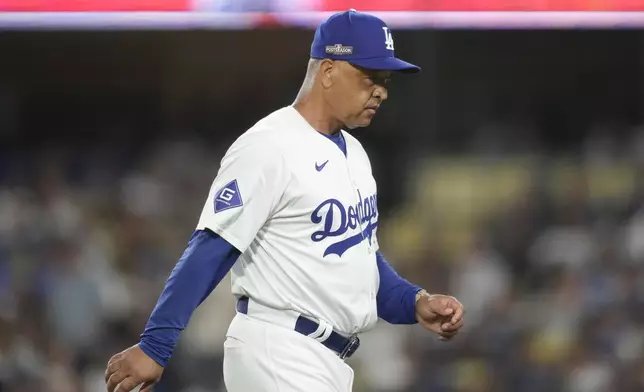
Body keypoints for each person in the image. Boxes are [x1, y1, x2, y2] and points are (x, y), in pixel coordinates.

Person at [104, 9, 464, 392]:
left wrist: (414, 302)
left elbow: (359, 262)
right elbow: (210, 248)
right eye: (369, 77)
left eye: (385, 80)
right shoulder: (269, 146)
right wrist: (156, 346)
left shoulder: (355, 154)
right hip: (278, 348)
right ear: (327, 71)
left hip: (325, 360)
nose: (381, 90)